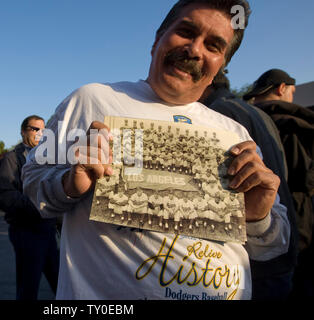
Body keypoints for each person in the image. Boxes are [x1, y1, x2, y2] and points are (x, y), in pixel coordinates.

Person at [22, 0, 291, 300]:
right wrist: (69, 184)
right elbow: (32, 180)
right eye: (186, 31)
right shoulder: (91, 100)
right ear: (157, 39)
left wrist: (258, 215)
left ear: (221, 66)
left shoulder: (234, 134)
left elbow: (273, 245)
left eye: (214, 46)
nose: (194, 50)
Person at [199, 71, 299, 300]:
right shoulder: (257, 113)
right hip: (281, 245)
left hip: (258, 259)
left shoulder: (218, 117)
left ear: (207, 84)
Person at [244, 69, 314, 299]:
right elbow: (305, 179)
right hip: (298, 225)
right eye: (292, 91)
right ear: (282, 88)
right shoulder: (296, 125)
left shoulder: (242, 119)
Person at [0, 115, 59, 300]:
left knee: (60, 281)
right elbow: (4, 194)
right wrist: (37, 207)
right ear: (23, 132)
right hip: (26, 230)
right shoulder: (12, 158)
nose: (40, 133)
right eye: (35, 129)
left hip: (48, 229)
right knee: (28, 286)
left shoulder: (47, 156)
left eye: (43, 129)